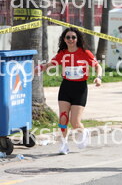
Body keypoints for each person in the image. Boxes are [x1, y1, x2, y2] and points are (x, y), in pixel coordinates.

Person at [35, 27, 102, 155]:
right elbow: (50, 64)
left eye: (73, 37)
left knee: (75, 122)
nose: (71, 39)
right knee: (63, 119)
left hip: (80, 88)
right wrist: (41, 68)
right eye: (68, 37)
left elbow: (97, 66)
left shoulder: (85, 52)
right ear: (64, 40)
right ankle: (64, 145)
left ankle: (84, 132)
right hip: (66, 87)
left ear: (77, 39)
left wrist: (98, 77)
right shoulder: (63, 53)